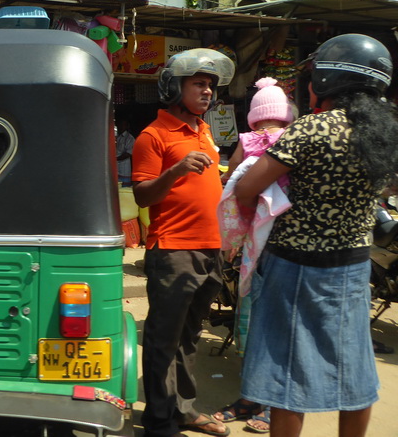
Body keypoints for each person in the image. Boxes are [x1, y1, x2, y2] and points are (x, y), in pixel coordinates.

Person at [233, 34, 398, 437]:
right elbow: (388, 190)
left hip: (295, 269)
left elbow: (246, 188)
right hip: (354, 270)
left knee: (286, 375)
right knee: (354, 369)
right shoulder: (387, 133)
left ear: (329, 81)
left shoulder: (312, 129)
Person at [132, 48, 235, 437]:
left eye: (210, 85)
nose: (207, 92)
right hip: (174, 250)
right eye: (198, 84)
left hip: (211, 249)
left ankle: (185, 410)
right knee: (163, 339)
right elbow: (142, 196)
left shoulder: (204, 131)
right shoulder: (152, 135)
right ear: (175, 88)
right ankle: (159, 421)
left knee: (189, 337)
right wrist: (175, 170)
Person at [214, 76, 296, 434]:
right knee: (279, 327)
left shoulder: (246, 142)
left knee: (253, 319)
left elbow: (232, 184)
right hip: (284, 244)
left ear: (253, 116)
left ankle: (260, 400)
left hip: (256, 246)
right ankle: (260, 401)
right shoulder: (296, 141)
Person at [116, 118, 135, 186]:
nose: (121, 126)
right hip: (115, 168)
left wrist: (114, 159)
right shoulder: (116, 136)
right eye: (120, 124)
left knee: (124, 189)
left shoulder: (130, 138)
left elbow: (128, 153)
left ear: (127, 126)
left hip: (124, 169)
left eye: (123, 125)